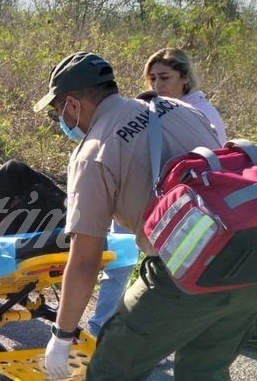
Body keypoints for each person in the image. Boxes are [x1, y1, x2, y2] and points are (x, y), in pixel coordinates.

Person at [20, 52, 257, 381]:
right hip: (249, 267)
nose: (60, 121)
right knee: (204, 377)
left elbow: (86, 259)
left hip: (185, 273)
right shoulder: (181, 110)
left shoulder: (95, 151)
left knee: (109, 372)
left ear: (73, 103)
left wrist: (63, 334)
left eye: (58, 111)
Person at [88, 48, 227, 338]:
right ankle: (100, 323)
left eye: (165, 77)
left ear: (185, 77)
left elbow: (211, 163)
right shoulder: (151, 106)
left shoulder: (201, 112)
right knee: (119, 259)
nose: (157, 85)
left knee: (165, 275)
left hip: (178, 207)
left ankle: (154, 340)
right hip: (139, 194)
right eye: (152, 78)